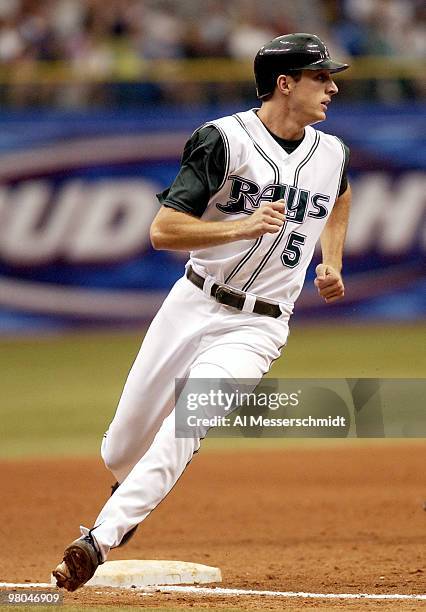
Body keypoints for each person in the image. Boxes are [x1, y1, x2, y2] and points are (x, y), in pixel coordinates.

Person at [53, 33, 351, 591]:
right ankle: (128, 492)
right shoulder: (224, 140)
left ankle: (99, 538)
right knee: (120, 448)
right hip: (192, 302)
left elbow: (340, 196)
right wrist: (242, 224)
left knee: (188, 425)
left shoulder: (331, 151)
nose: (332, 87)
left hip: (259, 324)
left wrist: (330, 260)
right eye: (320, 77)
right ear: (285, 84)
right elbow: (163, 230)